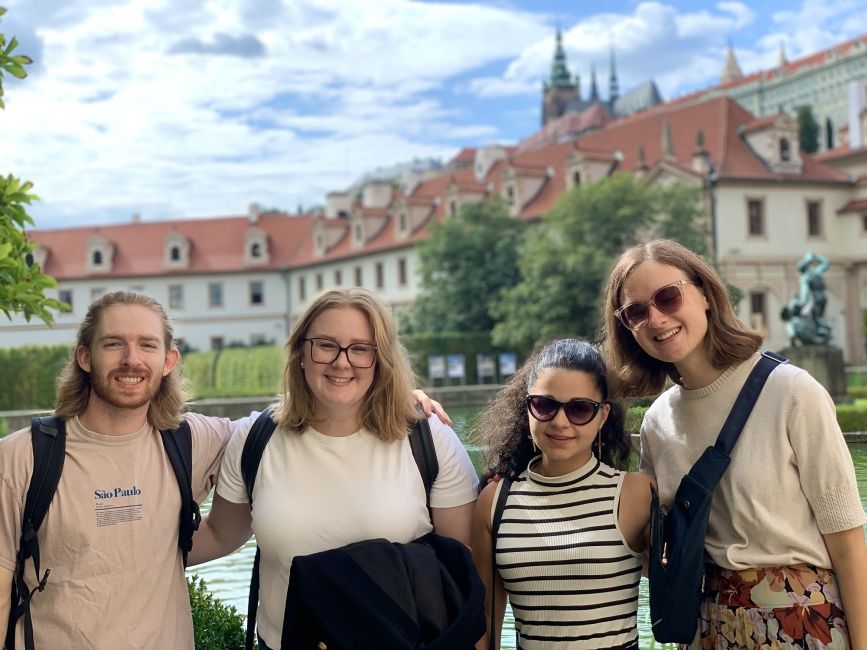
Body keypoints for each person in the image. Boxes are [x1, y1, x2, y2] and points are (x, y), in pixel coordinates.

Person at [602, 239, 867, 649]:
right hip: (707, 626)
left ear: (705, 294)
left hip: (803, 624)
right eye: (637, 312)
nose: (656, 319)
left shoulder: (793, 392)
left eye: (668, 297)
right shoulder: (657, 422)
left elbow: (848, 542)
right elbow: (655, 550)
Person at [188, 288, 480, 650]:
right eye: (326, 345)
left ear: (381, 360)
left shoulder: (430, 440)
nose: (342, 362)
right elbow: (218, 533)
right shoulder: (255, 437)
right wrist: (122, 555)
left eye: (360, 349)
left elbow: (463, 568)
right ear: (301, 353)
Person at [0, 291, 236, 648]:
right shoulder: (23, 457)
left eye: (147, 345)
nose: (131, 360)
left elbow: (273, 434)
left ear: (168, 360)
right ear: (85, 357)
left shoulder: (191, 441)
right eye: (113, 344)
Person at [470, 339, 652, 650]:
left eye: (580, 409)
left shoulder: (635, 493)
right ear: (527, 407)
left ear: (603, 416)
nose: (560, 422)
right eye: (545, 405)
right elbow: (485, 621)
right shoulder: (496, 500)